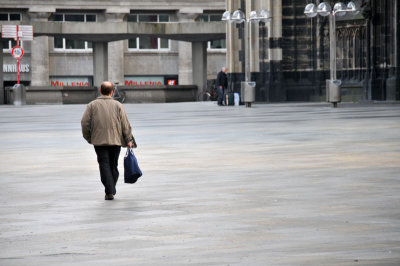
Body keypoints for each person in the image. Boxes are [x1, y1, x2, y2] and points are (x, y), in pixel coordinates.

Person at [81, 81, 136, 200]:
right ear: (112, 92)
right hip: (115, 141)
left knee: (104, 164)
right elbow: (125, 124)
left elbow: (84, 123)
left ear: (100, 91)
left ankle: (109, 190)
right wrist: (128, 139)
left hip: (99, 141)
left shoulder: (92, 105)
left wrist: (89, 138)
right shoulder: (118, 105)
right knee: (113, 165)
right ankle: (110, 190)